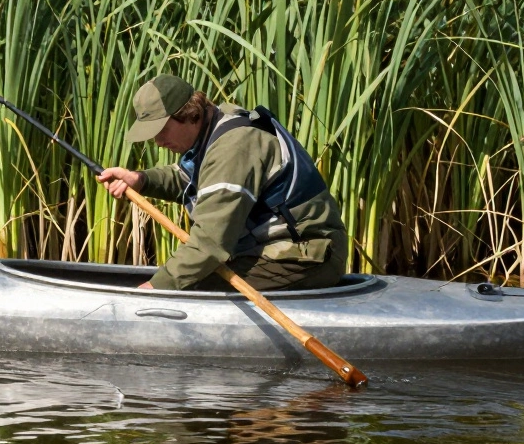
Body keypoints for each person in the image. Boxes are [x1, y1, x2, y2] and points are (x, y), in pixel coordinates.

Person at [97, 75, 348, 291]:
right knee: (190, 278)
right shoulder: (215, 126)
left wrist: (155, 288)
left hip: (307, 256)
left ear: (189, 114)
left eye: (161, 130)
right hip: (275, 251)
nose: (158, 142)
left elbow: (210, 241)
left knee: (192, 288)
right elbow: (187, 178)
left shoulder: (233, 147)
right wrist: (141, 180)